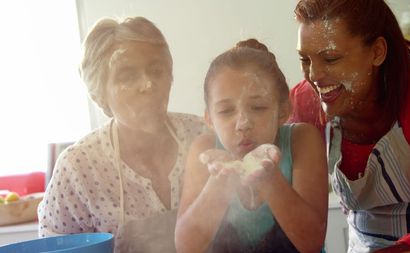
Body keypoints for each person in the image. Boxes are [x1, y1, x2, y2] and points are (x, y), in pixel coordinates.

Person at [292, 0, 410, 252]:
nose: (313, 75)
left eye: (331, 58)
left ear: (377, 52)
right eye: (305, 59)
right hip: (365, 244)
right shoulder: (305, 101)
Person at [37, 16, 208, 253]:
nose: (147, 85)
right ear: (100, 92)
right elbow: (55, 247)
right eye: (127, 75)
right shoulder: (78, 167)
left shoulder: (203, 135)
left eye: (156, 70)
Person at [175, 39, 328, 253]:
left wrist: (269, 178)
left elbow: (312, 242)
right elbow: (186, 247)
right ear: (209, 118)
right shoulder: (204, 150)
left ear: (283, 111)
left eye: (258, 107)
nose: (243, 124)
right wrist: (219, 183)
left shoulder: (301, 140)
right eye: (226, 111)